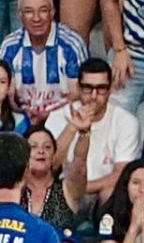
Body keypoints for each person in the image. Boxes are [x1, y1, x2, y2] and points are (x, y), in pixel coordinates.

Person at [46, 56, 138, 211]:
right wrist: (72, 127)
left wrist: (81, 188)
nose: (94, 96)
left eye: (101, 88)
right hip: (65, 192)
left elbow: (122, 173)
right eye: (88, 88)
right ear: (78, 88)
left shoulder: (126, 121)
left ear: (110, 89)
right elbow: (50, 164)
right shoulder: (58, 116)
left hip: (103, 191)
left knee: (110, 193)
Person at [1, 0, 87, 122]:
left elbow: (80, 93)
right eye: (29, 11)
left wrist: (49, 115)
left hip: (63, 118)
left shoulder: (71, 45)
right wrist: (24, 112)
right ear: (20, 15)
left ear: (53, 12)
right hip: (21, 118)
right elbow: (4, 93)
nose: (36, 18)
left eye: (43, 10)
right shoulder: (9, 46)